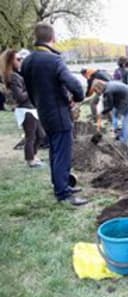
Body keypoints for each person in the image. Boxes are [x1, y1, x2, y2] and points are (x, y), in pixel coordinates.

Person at [22, 22, 88, 206]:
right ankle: (63, 193)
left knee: (54, 151)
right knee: (62, 153)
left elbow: (29, 88)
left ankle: (60, 183)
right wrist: (78, 97)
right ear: (53, 38)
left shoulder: (27, 61)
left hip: (43, 112)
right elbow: (73, 83)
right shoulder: (54, 60)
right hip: (58, 113)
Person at [1, 48, 46, 167]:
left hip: (31, 108)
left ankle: (34, 156)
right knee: (30, 136)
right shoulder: (13, 77)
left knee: (41, 135)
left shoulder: (18, 74)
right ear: (11, 61)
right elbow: (20, 97)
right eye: (18, 59)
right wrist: (32, 88)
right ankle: (30, 161)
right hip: (25, 110)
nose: (21, 61)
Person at [91, 79, 128, 146]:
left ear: (99, 87)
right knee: (117, 115)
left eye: (96, 90)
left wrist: (102, 113)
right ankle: (127, 135)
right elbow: (108, 103)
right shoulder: (108, 86)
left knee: (125, 119)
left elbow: (110, 106)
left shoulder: (108, 91)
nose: (96, 93)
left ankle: (124, 141)